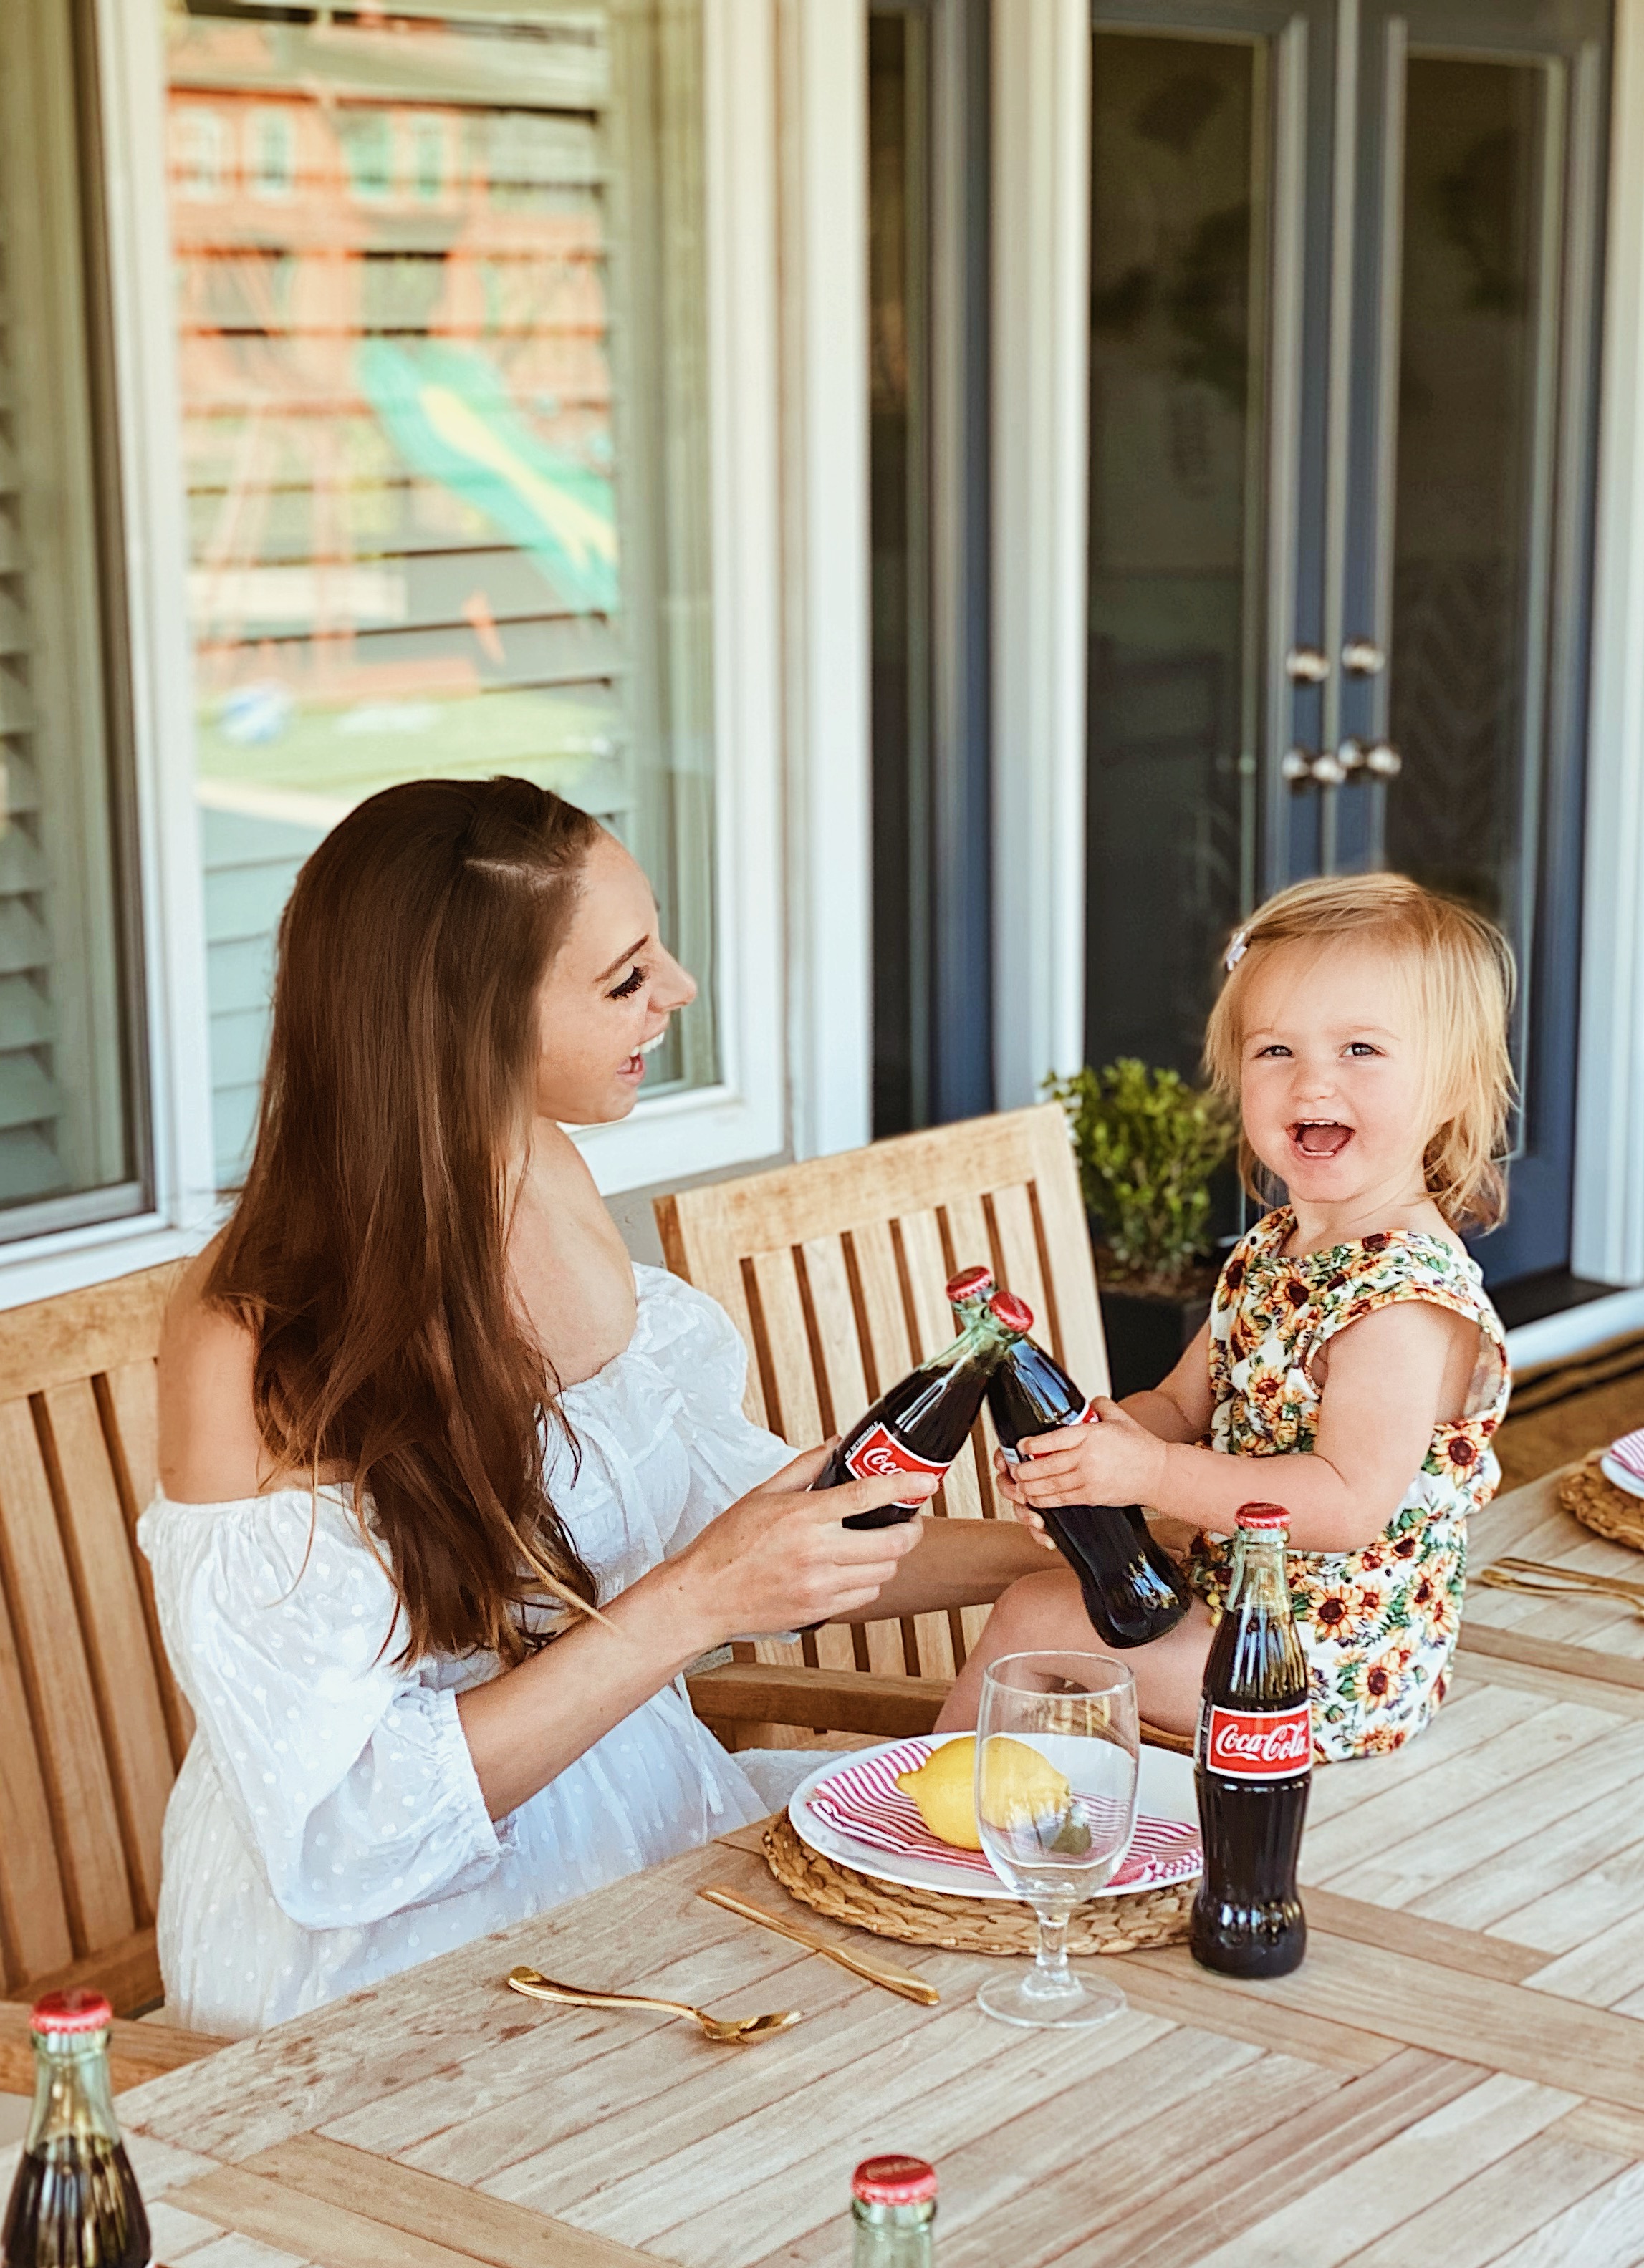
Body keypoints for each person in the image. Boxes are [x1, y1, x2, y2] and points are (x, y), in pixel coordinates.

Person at [145, 778, 1045, 2036]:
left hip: (625, 1816)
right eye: (625, 978)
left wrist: (1059, 1547)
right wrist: (695, 1604)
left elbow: (735, 1533)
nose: (676, 991)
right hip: (380, 1954)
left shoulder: (542, 1166)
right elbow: (345, 1836)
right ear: (466, 1021)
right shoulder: (253, 1335)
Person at [938, 873, 1513, 1761]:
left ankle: (937, 1823)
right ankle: (1015, 1818)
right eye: (1275, 1050)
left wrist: (1151, 1473)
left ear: (1450, 1087)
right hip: (1235, 1603)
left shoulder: (1402, 1300)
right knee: (1065, 1595)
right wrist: (1103, 1446)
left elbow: (1345, 1501)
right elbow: (1183, 1403)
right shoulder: (1271, 1249)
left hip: (1322, 1668)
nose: (1312, 1078)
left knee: (1035, 1615)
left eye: (1361, 1048)